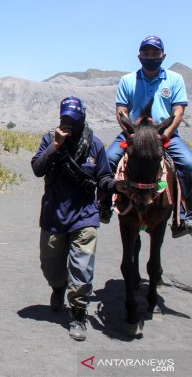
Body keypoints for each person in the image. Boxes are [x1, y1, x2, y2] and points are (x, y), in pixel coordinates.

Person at [32, 97, 123, 341]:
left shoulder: (94, 145)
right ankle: (57, 287)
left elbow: (103, 178)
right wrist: (55, 146)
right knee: (50, 266)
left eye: (72, 120)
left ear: (82, 119)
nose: (68, 124)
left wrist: (117, 185)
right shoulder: (48, 140)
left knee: (82, 268)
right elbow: (37, 168)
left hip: (85, 215)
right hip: (54, 215)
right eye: (64, 119)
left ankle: (78, 314)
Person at [102, 36, 192, 238]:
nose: (150, 57)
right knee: (108, 159)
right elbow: (121, 111)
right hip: (134, 133)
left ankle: (185, 217)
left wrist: (163, 136)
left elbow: (178, 111)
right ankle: (104, 206)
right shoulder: (128, 80)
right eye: (146, 53)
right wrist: (132, 135)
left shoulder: (174, 79)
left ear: (163, 55)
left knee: (190, 165)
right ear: (139, 56)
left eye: (155, 53)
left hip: (164, 134)